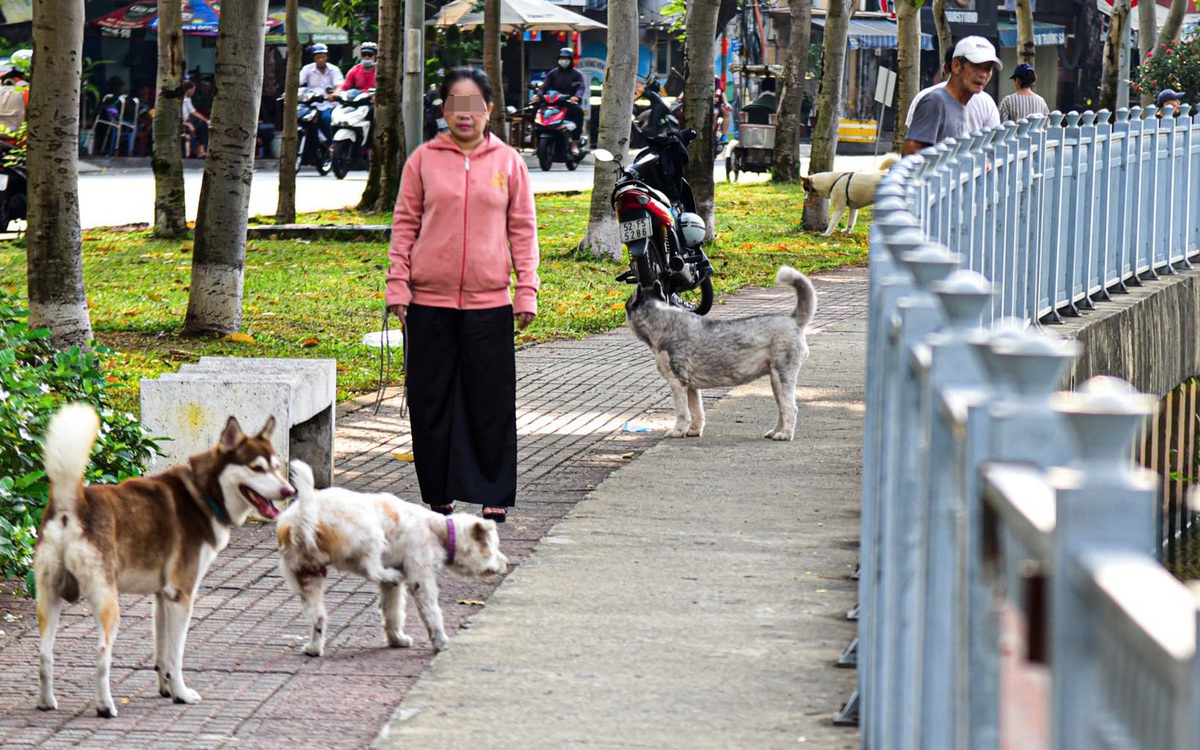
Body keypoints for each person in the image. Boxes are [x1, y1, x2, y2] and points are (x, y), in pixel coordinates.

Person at [385, 67, 540, 525]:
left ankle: (492, 492)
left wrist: (526, 289)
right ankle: (439, 492)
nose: (465, 115)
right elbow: (404, 226)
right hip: (427, 303)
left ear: (489, 109)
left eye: (474, 105)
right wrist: (399, 284)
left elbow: (523, 231)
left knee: (489, 400)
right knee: (430, 400)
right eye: (456, 105)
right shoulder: (423, 161)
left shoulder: (509, 162)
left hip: (490, 302)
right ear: (444, 110)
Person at [903, 36, 1001, 156]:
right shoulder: (935, 101)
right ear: (956, 66)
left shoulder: (961, 104)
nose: (983, 75)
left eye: (988, 69)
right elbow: (911, 154)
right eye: (976, 67)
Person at [535, 47, 586, 155]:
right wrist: (538, 95)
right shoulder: (552, 74)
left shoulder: (577, 74)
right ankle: (536, 143)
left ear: (571, 60)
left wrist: (576, 97)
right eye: (561, 58)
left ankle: (574, 144)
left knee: (579, 113)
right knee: (536, 111)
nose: (563, 61)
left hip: (569, 103)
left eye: (566, 58)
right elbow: (544, 87)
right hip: (553, 102)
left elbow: (581, 88)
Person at [298, 43, 343, 140]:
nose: (321, 59)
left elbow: (339, 85)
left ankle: (330, 144)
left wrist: (335, 94)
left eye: (323, 57)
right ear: (314, 58)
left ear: (326, 57)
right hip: (311, 103)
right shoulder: (307, 69)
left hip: (327, 104)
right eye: (318, 57)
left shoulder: (334, 70)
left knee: (325, 119)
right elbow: (297, 83)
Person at [181, 80, 209, 158]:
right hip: (181, 122)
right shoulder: (180, 100)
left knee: (202, 124)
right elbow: (178, 116)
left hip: (187, 121)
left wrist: (206, 120)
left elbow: (193, 112)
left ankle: (201, 150)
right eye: (193, 90)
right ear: (190, 90)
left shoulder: (188, 99)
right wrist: (188, 124)